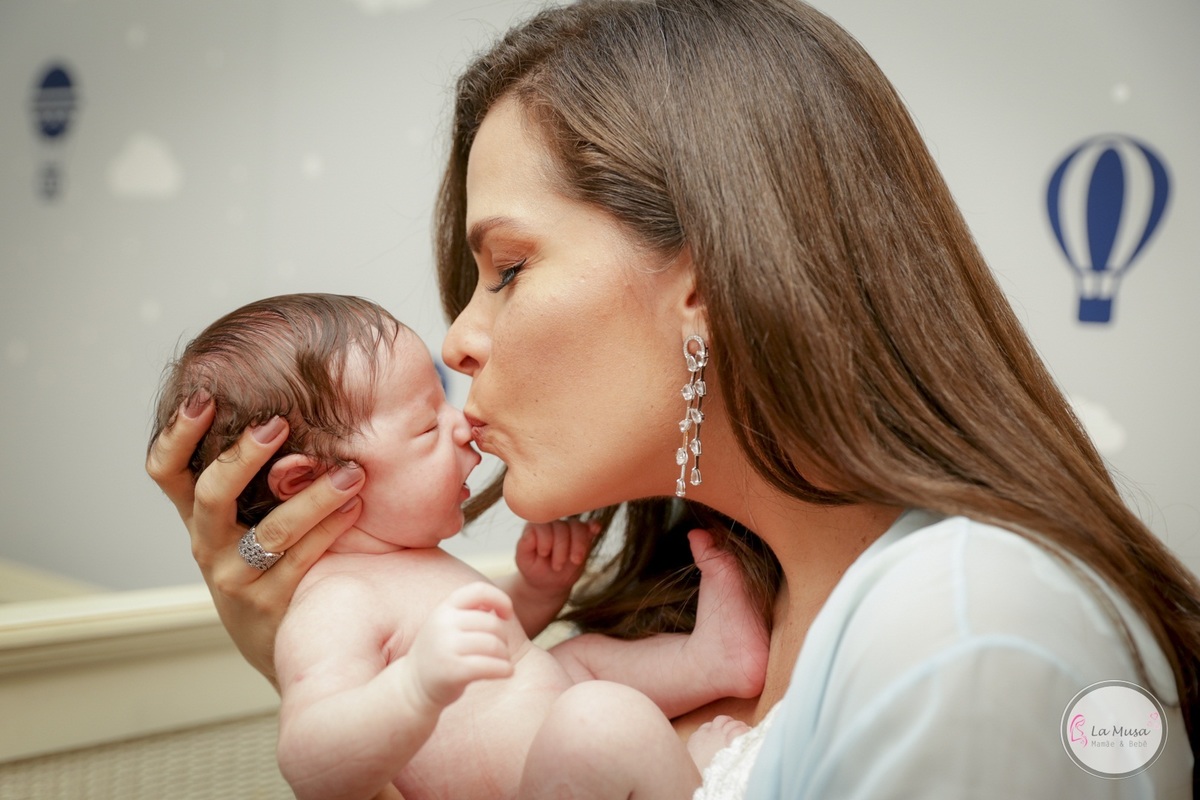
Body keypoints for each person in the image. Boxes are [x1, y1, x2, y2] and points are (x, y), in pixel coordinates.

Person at [146, 1, 1200, 797]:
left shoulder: (970, 632)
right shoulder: (688, 603)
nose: (459, 339)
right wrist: (312, 661)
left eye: (506, 268)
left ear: (703, 282)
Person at [149, 292, 768, 800]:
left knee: (576, 662)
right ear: (307, 482)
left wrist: (535, 592)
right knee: (599, 718)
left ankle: (712, 662)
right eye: (426, 425)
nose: (463, 424)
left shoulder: (402, 560)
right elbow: (310, 763)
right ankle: (687, 783)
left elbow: (489, 648)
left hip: (547, 767)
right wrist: (415, 687)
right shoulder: (332, 603)